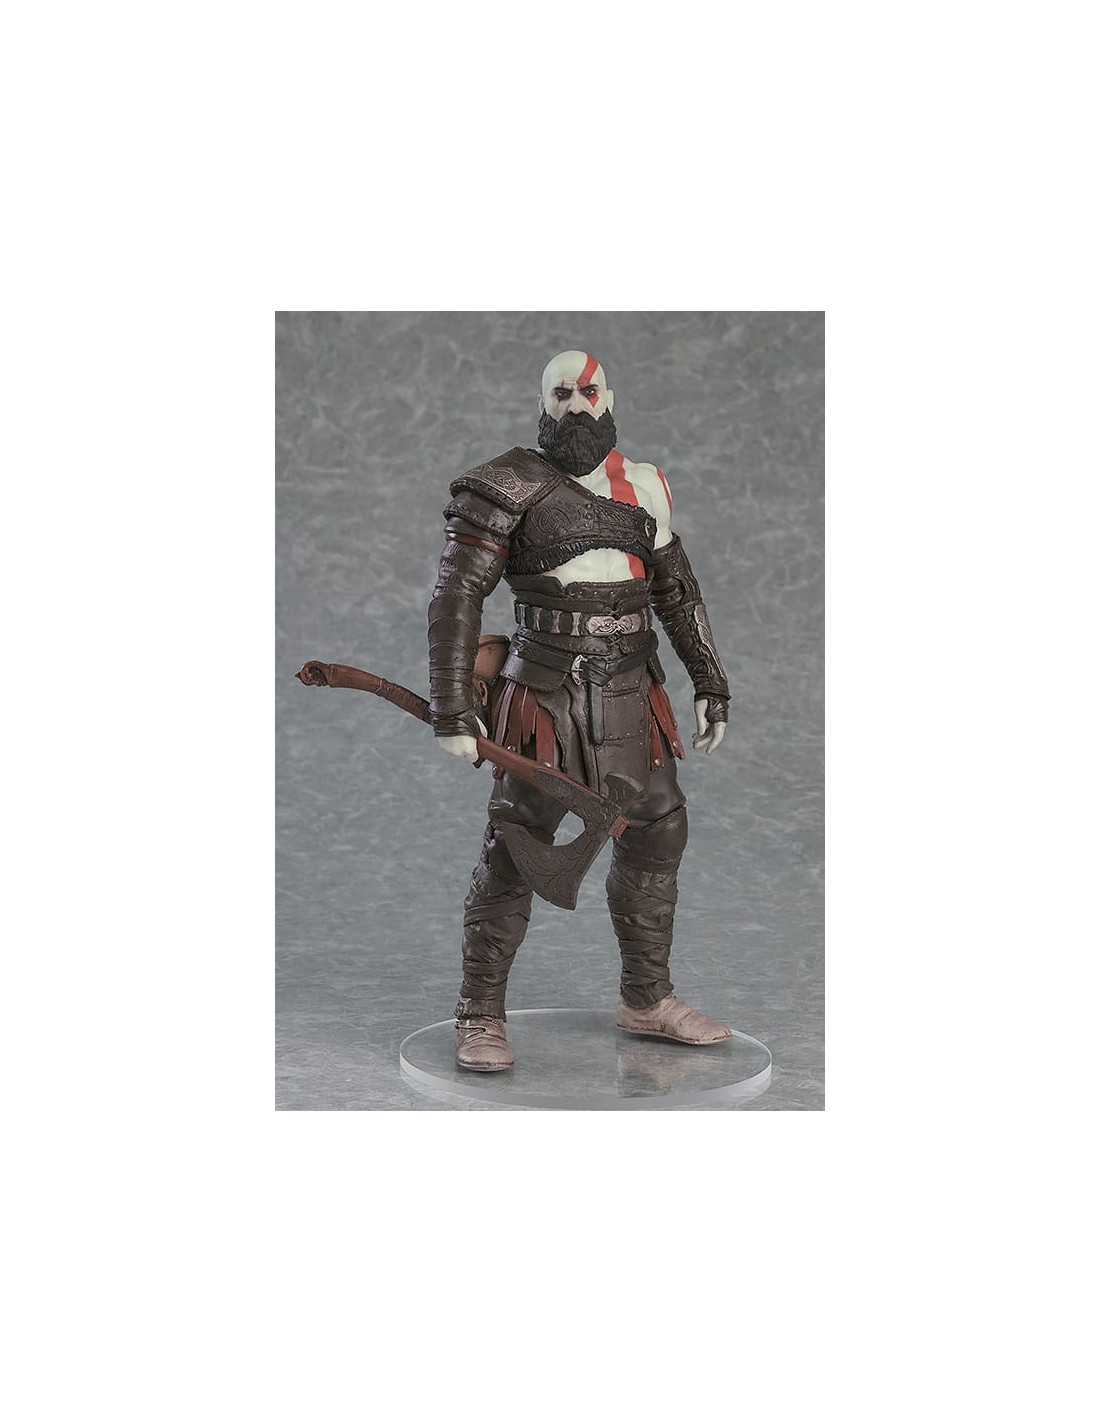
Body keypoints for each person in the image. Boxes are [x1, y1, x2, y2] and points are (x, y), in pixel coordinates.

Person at [427, 350, 732, 1071]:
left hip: (632, 687)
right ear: (544, 402)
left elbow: (676, 590)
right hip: (545, 693)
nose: (575, 404)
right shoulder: (503, 486)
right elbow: (457, 595)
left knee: (658, 826)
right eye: (561, 392)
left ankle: (647, 998)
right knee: (516, 841)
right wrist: (452, 705)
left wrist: (709, 680)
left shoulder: (645, 485)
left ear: (608, 398)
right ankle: (479, 1012)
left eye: (587, 391)